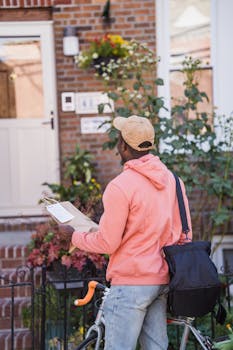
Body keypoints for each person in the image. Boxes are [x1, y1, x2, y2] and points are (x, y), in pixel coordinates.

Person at [68, 115, 192, 350]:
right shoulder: (174, 181)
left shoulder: (120, 186)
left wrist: (73, 236)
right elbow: (185, 235)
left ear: (123, 145)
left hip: (130, 285)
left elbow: (107, 243)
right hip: (161, 281)